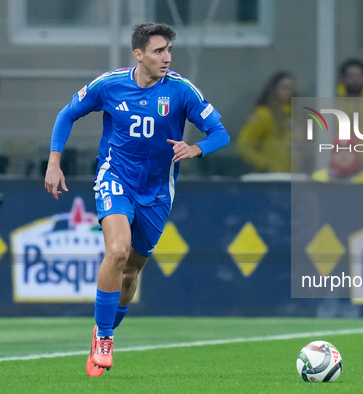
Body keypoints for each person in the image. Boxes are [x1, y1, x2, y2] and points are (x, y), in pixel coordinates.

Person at [44, 22, 230, 376]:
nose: (167, 58)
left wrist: (196, 148)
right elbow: (66, 114)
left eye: (169, 51)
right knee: (116, 251)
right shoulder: (110, 85)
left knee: (130, 273)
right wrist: (54, 162)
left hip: (158, 191)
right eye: (159, 51)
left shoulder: (181, 91)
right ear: (139, 54)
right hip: (115, 178)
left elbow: (220, 133)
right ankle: (105, 338)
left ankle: (104, 327)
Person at [237, 72, 295, 173]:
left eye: (291, 89)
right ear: (274, 90)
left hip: (293, 176)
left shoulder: (296, 114)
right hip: (269, 176)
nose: (288, 92)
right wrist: (263, 163)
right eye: (284, 88)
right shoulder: (263, 115)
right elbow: (243, 145)